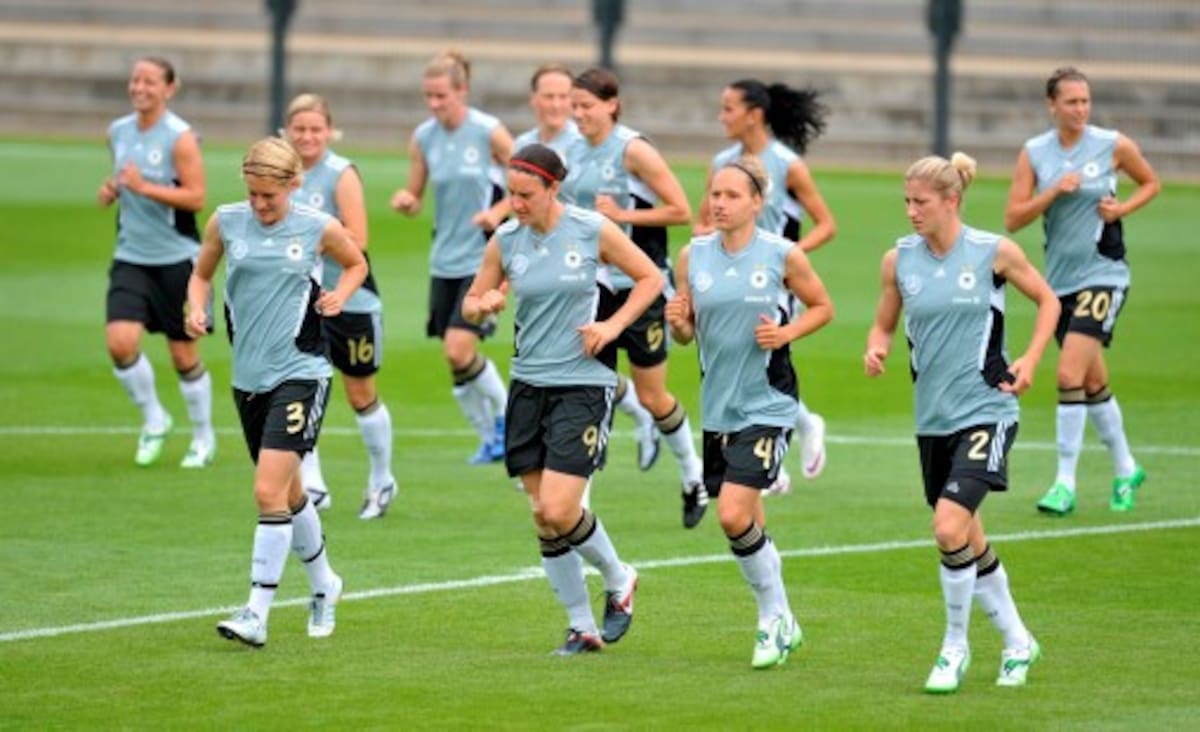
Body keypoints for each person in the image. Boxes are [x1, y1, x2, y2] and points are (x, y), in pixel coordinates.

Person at [865, 153, 1060, 692]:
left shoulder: (993, 252)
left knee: (948, 526)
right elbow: (884, 324)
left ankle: (954, 647)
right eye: (906, 201)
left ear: (951, 201)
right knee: (968, 538)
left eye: (920, 202)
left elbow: (1048, 302)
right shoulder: (898, 261)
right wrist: (876, 348)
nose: (911, 211)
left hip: (988, 409)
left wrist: (1032, 359)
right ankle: (1019, 641)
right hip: (932, 420)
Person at [462, 144, 658, 655]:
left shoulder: (593, 230)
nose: (517, 204)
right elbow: (474, 301)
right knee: (542, 516)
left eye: (526, 195)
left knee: (559, 505)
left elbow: (650, 278)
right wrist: (483, 304)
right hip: (528, 385)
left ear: (554, 188)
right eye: (511, 194)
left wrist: (612, 325)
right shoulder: (505, 240)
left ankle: (619, 577)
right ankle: (581, 627)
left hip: (583, 383)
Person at [185, 137, 368, 648]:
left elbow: (357, 263)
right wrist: (192, 309)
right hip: (248, 378)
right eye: (253, 194)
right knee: (288, 494)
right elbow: (200, 275)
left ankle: (256, 613)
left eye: (270, 195)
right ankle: (326, 584)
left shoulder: (316, 226)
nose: (261, 205)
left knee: (267, 492)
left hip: (302, 372)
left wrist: (340, 295)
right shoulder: (226, 221)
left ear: (293, 184)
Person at [666, 156, 833, 668]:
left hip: (769, 401)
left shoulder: (783, 255)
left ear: (758, 203)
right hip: (719, 407)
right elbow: (686, 332)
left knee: (733, 514)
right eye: (714, 194)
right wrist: (678, 322)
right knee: (749, 523)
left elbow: (824, 307)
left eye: (731, 195)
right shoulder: (691, 257)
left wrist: (785, 333)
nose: (718, 203)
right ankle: (784, 619)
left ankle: (770, 620)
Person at [1003, 66, 1161, 516]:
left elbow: (1151, 182)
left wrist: (1121, 208)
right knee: (1093, 382)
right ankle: (1127, 467)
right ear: (1052, 105)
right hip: (1060, 283)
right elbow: (1013, 218)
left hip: (1104, 274)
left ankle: (1063, 483)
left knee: (1069, 375)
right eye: (1071, 101)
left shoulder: (1112, 145)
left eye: (1085, 101)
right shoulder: (1034, 152)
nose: (1080, 109)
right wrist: (1053, 191)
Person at [563, 66, 706, 528]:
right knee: (590, 391)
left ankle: (693, 476)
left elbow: (680, 210)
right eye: (574, 106)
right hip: (593, 290)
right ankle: (578, 501)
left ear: (611, 104)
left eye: (586, 106)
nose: (578, 114)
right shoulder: (571, 150)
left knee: (652, 395)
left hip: (640, 289)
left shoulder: (633, 150)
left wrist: (621, 214)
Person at [696, 79, 837, 492]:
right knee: (735, 359)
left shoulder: (786, 164)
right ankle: (788, 436)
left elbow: (826, 224)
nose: (722, 117)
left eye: (728, 109)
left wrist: (787, 258)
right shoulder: (723, 162)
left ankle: (771, 455)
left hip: (768, 284)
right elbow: (703, 218)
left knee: (758, 356)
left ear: (753, 115)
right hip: (725, 272)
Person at [391, 50, 514, 465]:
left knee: (457, 349)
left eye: (441, 95)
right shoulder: (423, 136)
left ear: (462, 91)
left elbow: (531, 183)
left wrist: (496, 213)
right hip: (443, 257)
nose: (434, 104)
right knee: (455, 359)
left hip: (483, 259)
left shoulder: (489, 132)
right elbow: (417, 193)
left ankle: (508, 421)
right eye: (428, 96)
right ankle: (489, 437)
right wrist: (407, 200)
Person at [284, 93, 397, 520]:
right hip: (300, 300)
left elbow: (359, 239)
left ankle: (381, 479)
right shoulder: (281, 173)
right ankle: (312, 484)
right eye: (300, 129)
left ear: (329, 131)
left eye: (316, 129)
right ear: (286, 132)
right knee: (301, 387)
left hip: (350, 299)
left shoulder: (340, 173)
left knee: (359, 391)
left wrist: (310, 239)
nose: (308, 136)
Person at [97, 56, 214, 469]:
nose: (139, 87)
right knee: (120, 342)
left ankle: (202, 436)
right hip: (131, 255)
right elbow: (125, 177)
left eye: (149, 81)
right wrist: (114, 189)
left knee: (183, 355)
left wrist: (144, 188)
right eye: (135, 80)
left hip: (177, 259)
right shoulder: (117, 131)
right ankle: (154, 418)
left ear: (169, 88)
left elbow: (197, 197)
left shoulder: (180, 138)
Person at [513, 63, 582, 160]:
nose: (556, 105)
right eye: (549, 96)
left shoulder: (583, 146)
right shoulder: (522, 145)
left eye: (563, 97)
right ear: (533, 99)